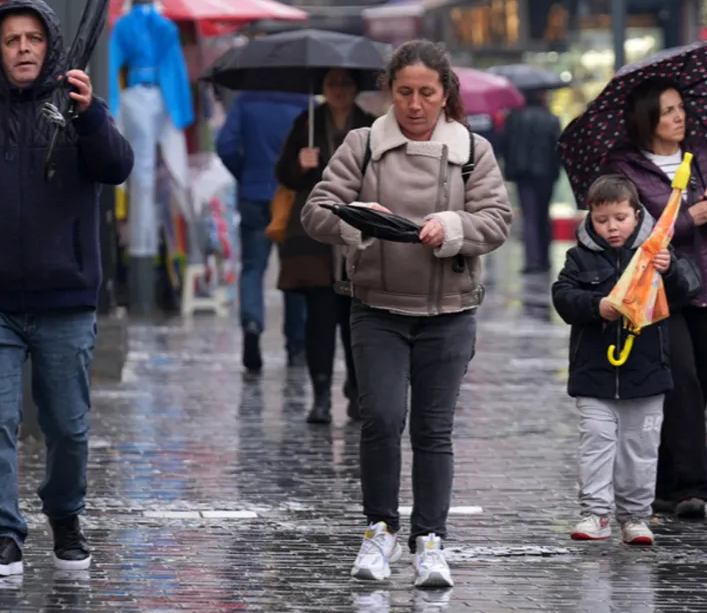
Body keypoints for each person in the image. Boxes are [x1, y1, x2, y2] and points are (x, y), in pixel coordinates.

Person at [0, 0, 134, 577]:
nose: (23, 49)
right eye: (12, 40)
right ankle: (3, 536)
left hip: (65, 300)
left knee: (67, 423)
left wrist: (90, 116)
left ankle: (65, 518)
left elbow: (116, 168)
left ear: (50, 46)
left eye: (33, 39)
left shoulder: (80, 109)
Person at [303, 40, 512, 587]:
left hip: (449, 310)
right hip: (377, 307)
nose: (415, 104)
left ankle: (430, 542)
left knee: (433, 429)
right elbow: (316, 212)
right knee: (381, 418)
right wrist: (357, 219)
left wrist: (455, 227)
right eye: (404, 92)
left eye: (426, 92)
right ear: (388, 92)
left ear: (445, 94)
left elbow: (497, 219)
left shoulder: (472, 149)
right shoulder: (364, 143)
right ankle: (379, 530)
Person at [552, 174, 700, 547]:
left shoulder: (657, 252)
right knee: (596, 443)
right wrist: (595, 306)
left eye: (620, 218)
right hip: (594, 375)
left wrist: (671, 269)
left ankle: (635, 515)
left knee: (640, 447)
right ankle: (594, 512)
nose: (611, 228)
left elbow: (688, 290)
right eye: (602, 220)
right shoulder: (579, 257)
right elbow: (563, 296)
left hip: (646, 373)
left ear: (636, 214)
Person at [603, 78, 707, 518]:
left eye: (680, 108)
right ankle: (692, 488)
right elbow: (631, 229)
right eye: (668, 110)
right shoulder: (624, 168)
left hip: (703, 285)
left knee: (697, 385)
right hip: (655, 291)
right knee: (681, 380)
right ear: (647, 118)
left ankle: (666, 486)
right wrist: (691, 217)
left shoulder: (700, 157)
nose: (679, 117)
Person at [274, 68, 374, 424]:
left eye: (345, 83)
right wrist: (301, 166)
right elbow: (284, 173)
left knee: (355, 322)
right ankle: (320, 396)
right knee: (319, 320)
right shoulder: (308, 121)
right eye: (331, 83)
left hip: (359, 237)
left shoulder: (371, 125)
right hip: (316, 239)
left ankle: (356, 390)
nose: (339, 91)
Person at [216, 86, 310, 373]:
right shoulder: (303, 100)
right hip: (292, 197)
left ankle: (252, 325)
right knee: (294, 272)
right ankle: (296, 345)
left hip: (254, 194)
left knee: (253, 267)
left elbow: (226, 144)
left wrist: (245, 174)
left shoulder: (246, 99)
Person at [502, 90, 562, 274]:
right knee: (543, 215)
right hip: (546, 174)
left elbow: (506, 145)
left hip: (523, 174)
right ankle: (545, 259)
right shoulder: (551, 118)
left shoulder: (514, 118)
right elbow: (559, 147)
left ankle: (532, 261)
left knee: (529, 216)